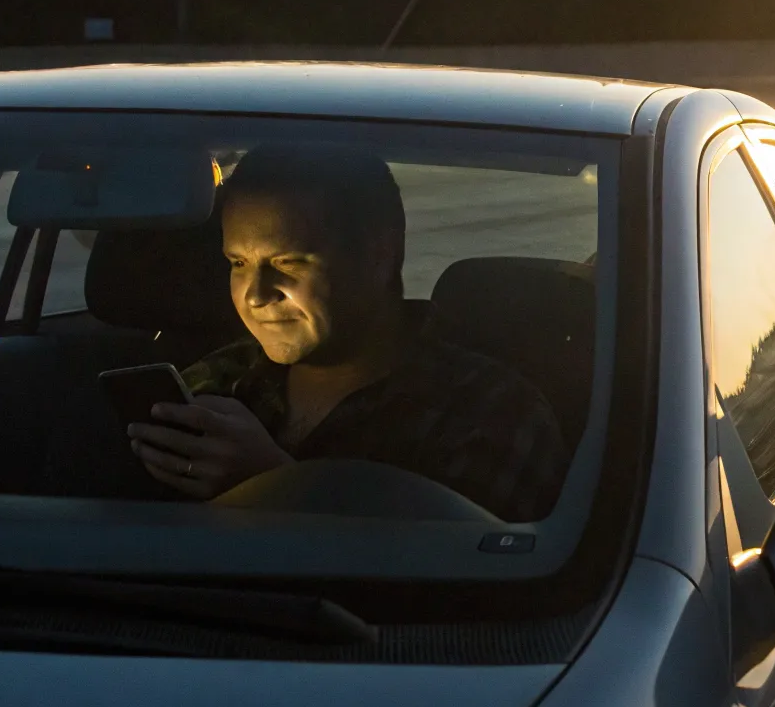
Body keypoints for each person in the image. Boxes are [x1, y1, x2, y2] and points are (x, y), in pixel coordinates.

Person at [125, 146, 568, 522]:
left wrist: (272, 485)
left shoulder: (492, 413)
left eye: (288, 263)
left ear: (379, 257)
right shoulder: (213, 385)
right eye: (238, 264)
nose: (256, 296)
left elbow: (463, 597)